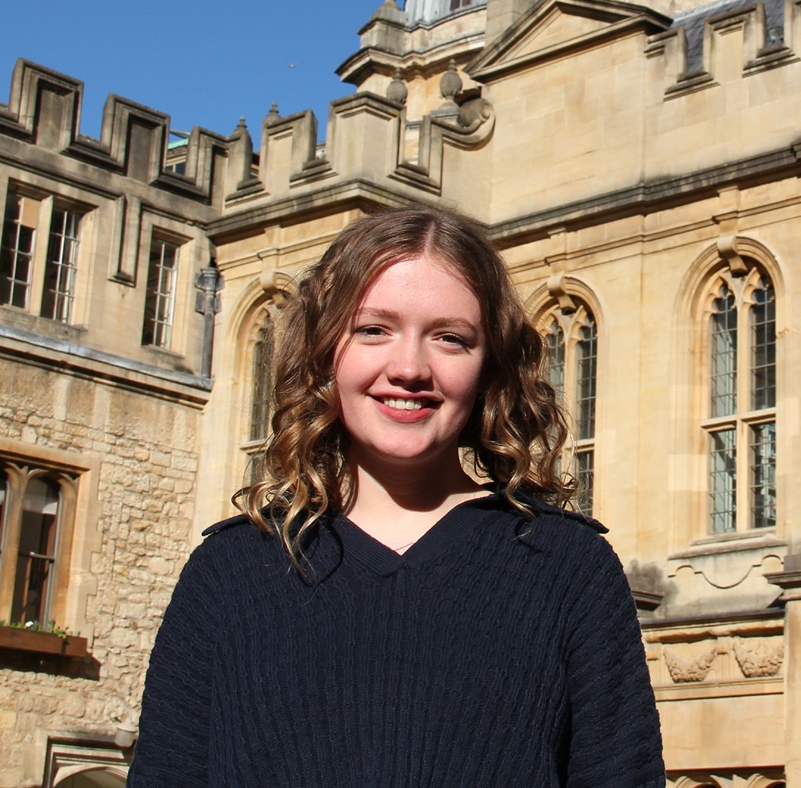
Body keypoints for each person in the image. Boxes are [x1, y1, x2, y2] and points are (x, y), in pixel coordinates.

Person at [128, 205, 665, 788]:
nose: (410, 367)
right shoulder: (230, 573)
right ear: (326, 353)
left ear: (489, 369)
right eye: (373, 329)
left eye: (450, 339)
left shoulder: (567, 570)